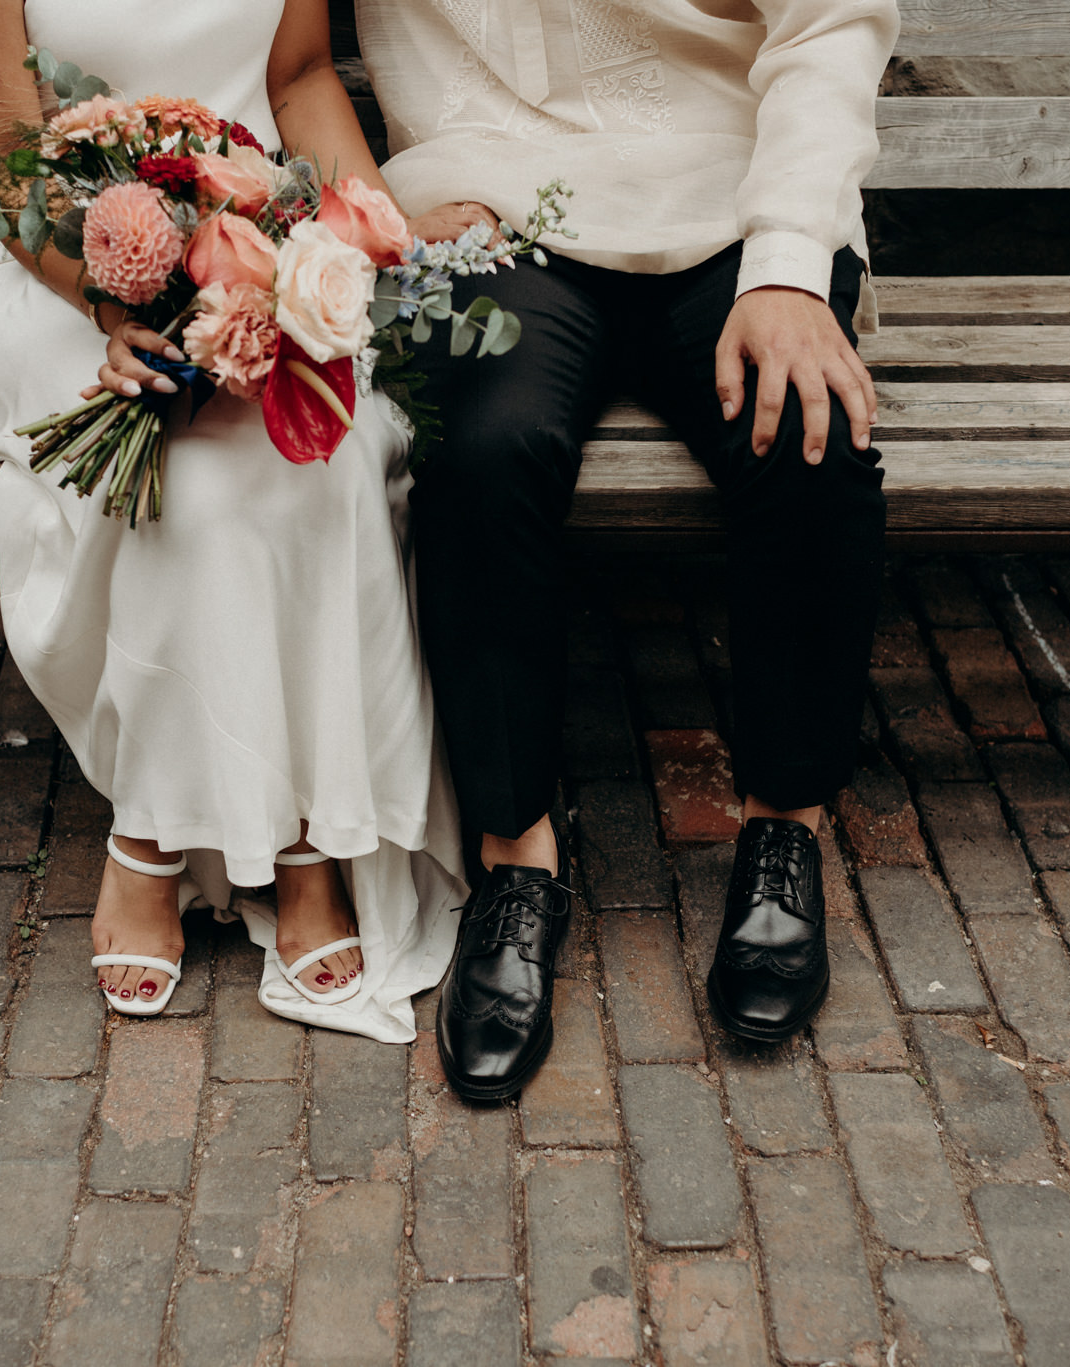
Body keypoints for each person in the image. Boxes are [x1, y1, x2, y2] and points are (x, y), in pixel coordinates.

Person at [0, 0, 483, 1042]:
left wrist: (368, 229)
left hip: (262, 241)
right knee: (196, 485)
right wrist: (131, 309)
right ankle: (155, 834)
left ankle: (307, 841)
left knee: (323, 450)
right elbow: (8, 160)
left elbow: (301, 79)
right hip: (61, 271)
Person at [356, 0, 900, 1094]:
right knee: (478, 449)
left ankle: (782, 826)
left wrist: (791, 260)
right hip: (491, 204)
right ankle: (514, 857)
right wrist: (386, 204)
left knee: (807, 433)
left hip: (732, 199)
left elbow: (828, 21)